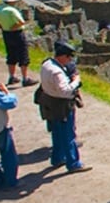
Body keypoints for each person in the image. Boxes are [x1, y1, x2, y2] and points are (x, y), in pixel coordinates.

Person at [38, 40, 90, 173]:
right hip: (62, 104)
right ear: (62, 56)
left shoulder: (46, 64)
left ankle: (57, 158)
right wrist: (76, 82)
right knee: (68, 134)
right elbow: (65, 91)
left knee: (57, 132)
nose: (69, 60)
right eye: (68, 57)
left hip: (50, 101)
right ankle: (73, 163)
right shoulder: (57, 72)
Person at [0, 0, 36, 86]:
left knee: (11, 55)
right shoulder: (12, 10)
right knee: (23, 55)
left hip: (6, 34)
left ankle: (12, 77)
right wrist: (14, 27)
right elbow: (21, 22)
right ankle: (25, 78)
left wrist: (0, 25)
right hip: (17, 33)